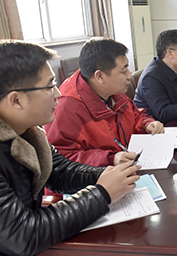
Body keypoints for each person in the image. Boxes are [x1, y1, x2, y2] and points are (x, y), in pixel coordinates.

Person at [0, 40, 141, 256]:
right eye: (49, 86)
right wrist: (102, 193)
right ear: (16, 100)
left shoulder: (28, 132)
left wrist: (105, 176)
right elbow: (23, 233)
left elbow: (61, 171)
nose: (58, 93)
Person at [46, 38, 164, 167]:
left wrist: (147, 124)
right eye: (123, 71)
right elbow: (61, 160)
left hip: (125, 169)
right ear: (100, 76)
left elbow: (135, 116)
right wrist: (109, 159)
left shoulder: (113, 91)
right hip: (97, 176)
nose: (130, 76)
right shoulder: (67, 108)